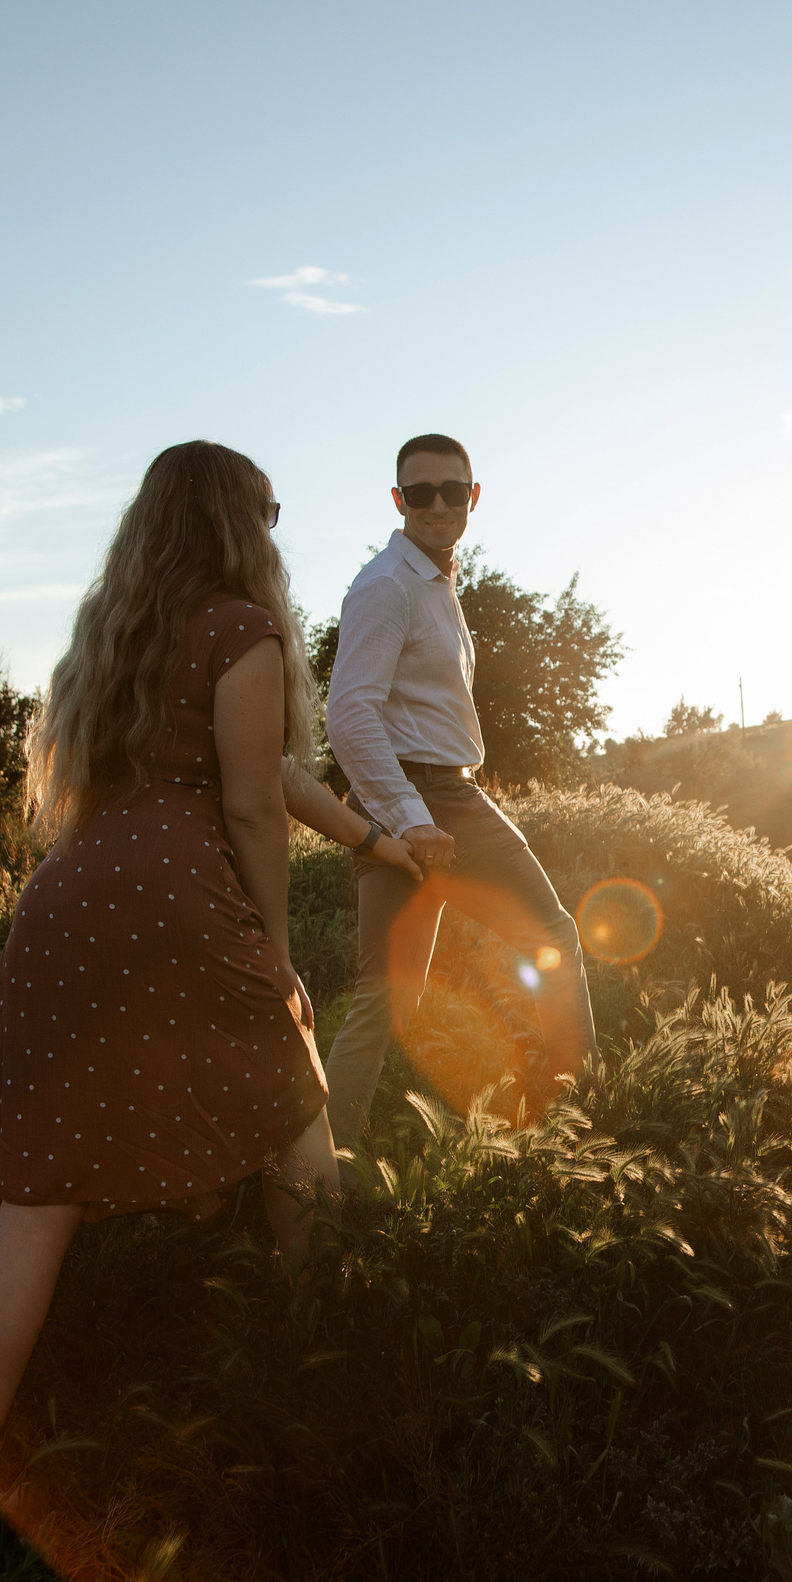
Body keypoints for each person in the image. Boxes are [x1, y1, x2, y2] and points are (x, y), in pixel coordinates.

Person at [0, 439, 421, 1497]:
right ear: (239, 523)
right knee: (297, 1105)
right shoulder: (244, 627)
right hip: (175, 898)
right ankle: (317, 1359)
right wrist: (277, 954)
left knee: (37, 1196)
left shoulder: (118, 631)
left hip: (62, 907)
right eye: (271, 511)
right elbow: (249, 805)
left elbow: (273, 773)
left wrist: (370, 837)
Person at [320, 432, 597, 1164]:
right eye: (421, 492)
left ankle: (322, 1172)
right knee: (552, 936)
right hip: (430, 798)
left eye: (452, 490)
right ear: (398, 500)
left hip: (413, 797)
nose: (438, 504)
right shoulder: (389, 585)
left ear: (474, 496)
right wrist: (413, 817)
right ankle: (586, 1124)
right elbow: (349, 714)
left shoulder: (434, 582)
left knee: (389, 992)